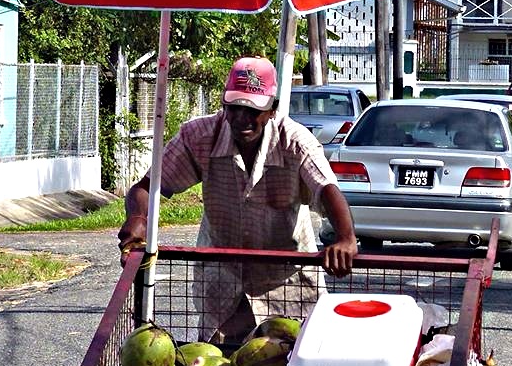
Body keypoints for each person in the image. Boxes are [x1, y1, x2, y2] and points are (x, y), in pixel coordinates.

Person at [117, 56, 358, 344]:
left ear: (271, 110)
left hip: (285, 283)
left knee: (290, 365)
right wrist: (138, 219)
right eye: (234, 108)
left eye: (251, 109)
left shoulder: (295, 142)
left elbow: (327, 189)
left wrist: (345, 237)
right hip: (224, 280)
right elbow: (147, 187)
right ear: (224, 104)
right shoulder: (199, 136)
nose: (241, 118)